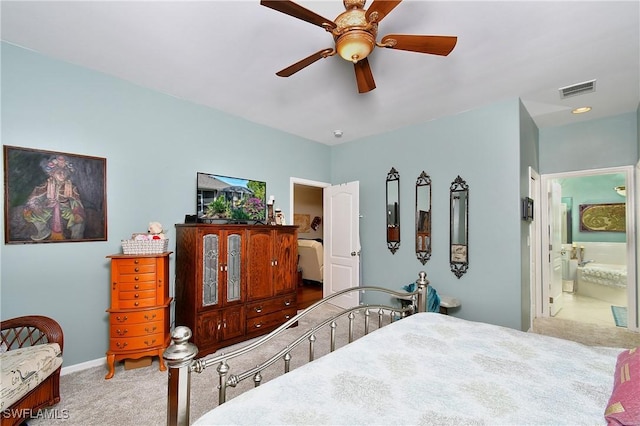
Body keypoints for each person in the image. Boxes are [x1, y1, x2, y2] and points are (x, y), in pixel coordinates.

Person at [23, 155, 86, 241]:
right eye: (59, 172)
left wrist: (76, 211)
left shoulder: (71, 187)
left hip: (65, 209)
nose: (62, 175)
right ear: (53, 174)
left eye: (64, 172)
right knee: (29, 213)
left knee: (79, 221)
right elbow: (34, 197)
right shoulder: (47, 184)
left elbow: (76, 201)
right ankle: (43, 231)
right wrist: (39, 205)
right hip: (48, 208)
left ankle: (76, 239)